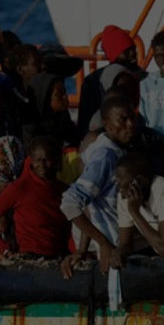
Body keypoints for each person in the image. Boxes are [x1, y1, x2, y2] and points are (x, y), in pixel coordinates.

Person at [60, 96, 136, 292]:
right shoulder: (105, 156)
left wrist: (82, 250)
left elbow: (88, 203)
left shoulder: (119, 149)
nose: (130, 125)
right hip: (113, 250)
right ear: (107, 124)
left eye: (132, 118)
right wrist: (102, 242)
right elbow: (70, 202)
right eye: (123, 120)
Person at [0, 136, 73, 259]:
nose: (42, 165)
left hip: (59, 258)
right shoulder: (20, 187)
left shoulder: (63, 190)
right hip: (30, 259)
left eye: (46, 159)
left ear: (55, 161)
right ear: (31, 160)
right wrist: (4, 250)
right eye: (38, 160)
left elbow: (69, 228)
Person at [76, 25, 143, 139]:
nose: (133, 53)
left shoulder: (145, 78)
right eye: (126, 51)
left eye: (134, 49)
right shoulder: (92, 83)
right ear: (114, 55)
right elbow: (85, 124)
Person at [115, 152, 164, 257]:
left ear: (139, 180)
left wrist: (134, 212)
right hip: (161, 258)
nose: (118, 185)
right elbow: (125, 243)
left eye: (121, 180)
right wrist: (119, 252)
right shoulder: (124, 195)